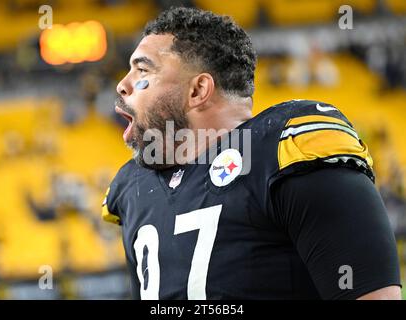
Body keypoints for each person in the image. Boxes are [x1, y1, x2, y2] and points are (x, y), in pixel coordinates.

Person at [102, 7, 401, 300]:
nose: (123, 84)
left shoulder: (288, 149)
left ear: (198, 90)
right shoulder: (133, 188)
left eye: (142, 70)